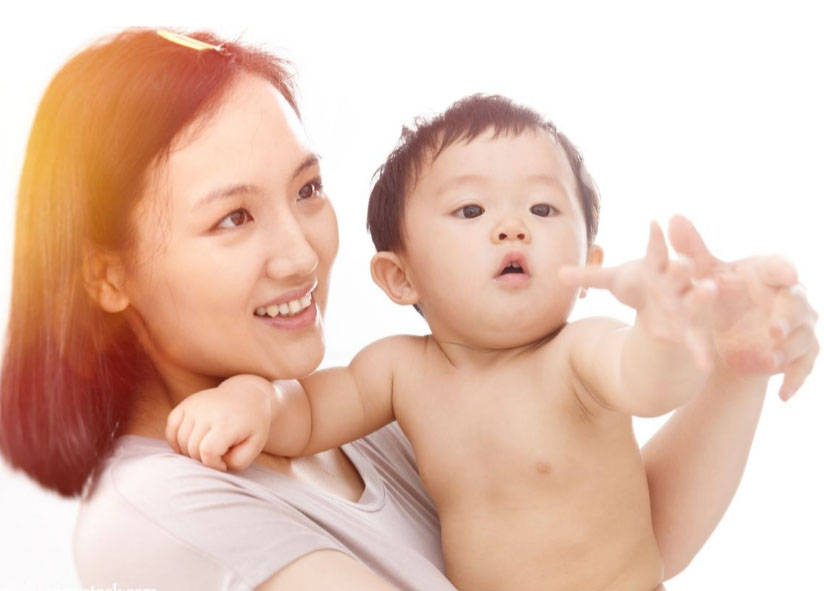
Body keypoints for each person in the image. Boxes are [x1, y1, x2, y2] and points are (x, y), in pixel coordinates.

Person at [0, 28, 817, 591]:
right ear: (108, 277)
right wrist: (256, 399)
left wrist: (734, 363)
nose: (303, 253)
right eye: (233, 217)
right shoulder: (158, 515)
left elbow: (630, 539)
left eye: (308, 189)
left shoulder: (382, 415)